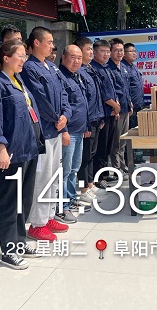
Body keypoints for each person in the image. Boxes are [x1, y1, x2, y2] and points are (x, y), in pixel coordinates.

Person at [0, 39, 43, 269]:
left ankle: (19, 241)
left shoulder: (18, 80)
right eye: (20, 56)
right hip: (10, 153)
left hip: (28, 149)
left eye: (24, 56)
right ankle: (8, 250)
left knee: (24, 200)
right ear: (6, 58)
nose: (23, 60)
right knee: (10, 201)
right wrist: (1, 149)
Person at [21, 27, 72, 241]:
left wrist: (65, 116)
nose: (52, 46)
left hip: (57, 129)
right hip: (43, 132)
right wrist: (56, 118)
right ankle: (38, 223)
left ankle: (49, 216)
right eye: (49, 42)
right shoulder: (29, 68)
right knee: (42, 178)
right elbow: (39, 99)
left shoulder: (52, 67)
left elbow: (63, 93)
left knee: (54, 175)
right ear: (36, 43)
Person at [57, 45, 89, 223]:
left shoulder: (76, 76)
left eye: (79, 58)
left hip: (79, 130)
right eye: (72, 57)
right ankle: (62, 207)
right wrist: (64, 131)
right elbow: (60, 107)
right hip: (69, 132)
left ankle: (70, 199)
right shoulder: (60, 77)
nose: (76, 61)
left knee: (74, 169)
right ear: (63, 58)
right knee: (64, 171)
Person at [74, 37, 106, 204]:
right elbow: (83, 101)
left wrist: (100, 117)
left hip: (95, 118)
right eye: (88, 49)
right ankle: (83, 188)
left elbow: (96, 96)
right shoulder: (78, 72)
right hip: (86, 121)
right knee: (83, 158)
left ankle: (90, 183)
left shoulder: (89, 69)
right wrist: (87, 123)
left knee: (91, 155)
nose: (91, 52)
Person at [91, 39, 121, 186]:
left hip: (111, 113)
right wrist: (115, 106)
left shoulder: (106, 68)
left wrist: (116, 105)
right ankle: (98, 177)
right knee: (100, 148)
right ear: (94, 52)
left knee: (108, 146)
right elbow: (102, 93)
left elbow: (112, 89)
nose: (106, 54)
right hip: (103, 114)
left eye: (108, 52)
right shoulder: (94, 69)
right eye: (103, 51)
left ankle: (104, 173)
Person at [108, 38, 133, 177]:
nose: (120, 53)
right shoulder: (108, 68)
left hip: (125, 108)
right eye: (116, 50)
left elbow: (126, 88)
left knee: (123, 140)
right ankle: (116, 168)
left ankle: (123, 166)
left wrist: (129, 103)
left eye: (121, 50)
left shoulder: (123, 67)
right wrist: (115, 108)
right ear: (111, 52)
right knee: (116, 142)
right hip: (116, 110)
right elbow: (111, 91)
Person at [122, 42, 144, 130]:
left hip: (138, 105)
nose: (134, 53)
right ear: (124, 54)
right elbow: (124, 88)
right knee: (131, 132)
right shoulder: (123, 68)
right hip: (131, 107)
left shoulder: (134, 66)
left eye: (135, 51)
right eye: (131, 51)